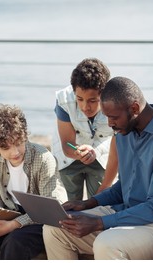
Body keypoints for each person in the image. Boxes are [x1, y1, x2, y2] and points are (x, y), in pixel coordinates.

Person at [43, 76, 153, 260]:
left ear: (133, 108)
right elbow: (125, 186)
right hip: (128, 210)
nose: (109, 123)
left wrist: (99, 222)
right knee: (55, 228)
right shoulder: (125, 132)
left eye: (113, 117)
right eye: (107, 116)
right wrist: (88, 203)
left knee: (107, 244)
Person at [0, 104, 67, 260]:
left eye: (17, 143)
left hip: (41, 222)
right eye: (5, 147)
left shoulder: (43, 158)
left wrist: (14, 225)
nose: (14, 152)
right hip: (10, 215)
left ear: (24, 136)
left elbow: (49, 210)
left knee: (14, 241)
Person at [51, 57, 118, 201]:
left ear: (104, 94)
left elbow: (119, 149)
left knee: (101, 206)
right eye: (79, 99)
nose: (85, 107)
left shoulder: (118, 102)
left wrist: (106, 186)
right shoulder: (63, 99)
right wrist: (78, 152)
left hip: (103, 157)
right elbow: (66, 144)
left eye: (93, 101)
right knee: (69, 208)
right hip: (69, 159)